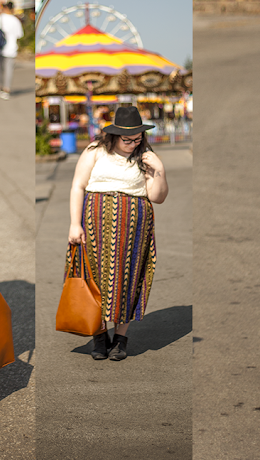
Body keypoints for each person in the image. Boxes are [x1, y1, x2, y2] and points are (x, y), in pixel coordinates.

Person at [67, 106, 168, 361]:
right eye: (128, 139)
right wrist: (74, 224)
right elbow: (78, 186)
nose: (133, 144)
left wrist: (160, 171)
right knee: (95, 279)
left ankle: (121, 339)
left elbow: (158, 197)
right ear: (114, 136)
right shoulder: (94, 151)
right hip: (95, 222)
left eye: (137, 139)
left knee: (129, 278)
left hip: (134, 225)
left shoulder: (144, 155)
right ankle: (99, 337)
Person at [0, 1, 23, 100]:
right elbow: (19, 35)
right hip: (11, 49)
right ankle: (6, 89)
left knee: (0, 68)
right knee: (9, 69)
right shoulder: (15, 20)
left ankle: (1, 86)